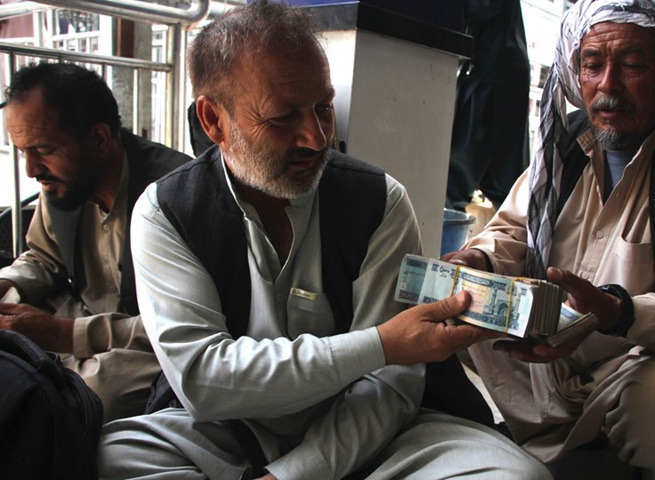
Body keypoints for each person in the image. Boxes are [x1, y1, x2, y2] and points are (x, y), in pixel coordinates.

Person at [96, 2, 551, 479]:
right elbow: (205, 383)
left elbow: (391, 385)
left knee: (516, 476)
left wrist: (294, 474)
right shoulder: (165, 210)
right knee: (108, 456)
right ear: (214, 121)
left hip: (374, 433)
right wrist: (381, 344)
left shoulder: (380, 201)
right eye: (283, 117)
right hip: (228, 431)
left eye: (323, 108)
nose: (316, 138)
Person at [444, 0, 655, 478]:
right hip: (552, 362)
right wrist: (479, 257)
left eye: (634, 64)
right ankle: (549, 447)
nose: (607, 86)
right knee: (445, 313)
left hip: (640, 366)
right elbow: (515, 228)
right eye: (592, 64)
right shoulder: (569, 139)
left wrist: (619, 313)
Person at [0, 62, 191, 422]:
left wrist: (62, 335)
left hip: (145, 343)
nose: (30, 169)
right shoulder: (62, 180)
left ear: (100, 140)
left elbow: (180, 323)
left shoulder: (176, 196)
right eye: (23, 150)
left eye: (42, 149)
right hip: (78, 319)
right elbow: (43, 258)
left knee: (94, 395)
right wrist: (8, 283)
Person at [445, 0, 530, 212]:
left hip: (493, 72)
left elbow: (484, 6)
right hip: (496, 68)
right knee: (502, 179)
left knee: (457, 179)